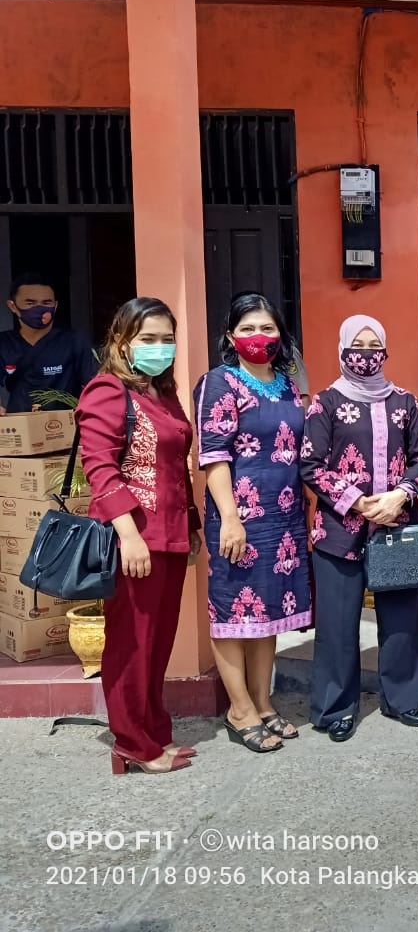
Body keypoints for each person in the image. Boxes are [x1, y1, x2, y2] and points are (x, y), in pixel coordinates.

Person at [77, 298, 202, 774]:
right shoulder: (107, 391)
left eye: (167, 339)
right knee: (132, 643)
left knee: (157, 643)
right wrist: (128, 534)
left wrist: (189, 527)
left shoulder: (161, 394)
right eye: (147, 339)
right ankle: (131, 741)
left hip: (168, 536)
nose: (160, 347)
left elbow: (174, 468)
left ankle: (152, 733)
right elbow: (100, 469)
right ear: (121, 342)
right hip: (134, 539)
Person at [301, 315, 418, 742]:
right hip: (339, 531)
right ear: (342, 350)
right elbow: (310, 463)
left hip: (396, 525)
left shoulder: (405, 402)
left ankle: (404, 698)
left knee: (403, 619)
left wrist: (400, 494)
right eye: (357, 345)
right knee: (338, 624)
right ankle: (336, 707)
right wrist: (356, 500)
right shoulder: (324, 403)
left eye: (374, 345)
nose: (366, 353)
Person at [195, 294, 312, 753]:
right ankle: (238, 708)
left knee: (267, 615)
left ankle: (264, 703)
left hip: (283, 517)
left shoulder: (286, 384)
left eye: (266, 328)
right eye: (246, 329)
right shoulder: (219, 383)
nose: (257, 337)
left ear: (280, 335)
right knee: (234, 611)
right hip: (238, 517)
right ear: (230, 337)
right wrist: (229, 518)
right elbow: (213, 455)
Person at [0, 272, 98, 413]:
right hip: (20, 427)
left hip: (66, 426)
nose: (39, 309)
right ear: (13, 306)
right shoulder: (4, 343)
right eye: (30, 303)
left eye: (46, 303)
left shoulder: (74, 341)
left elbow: (95, 385)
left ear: (55, 306)